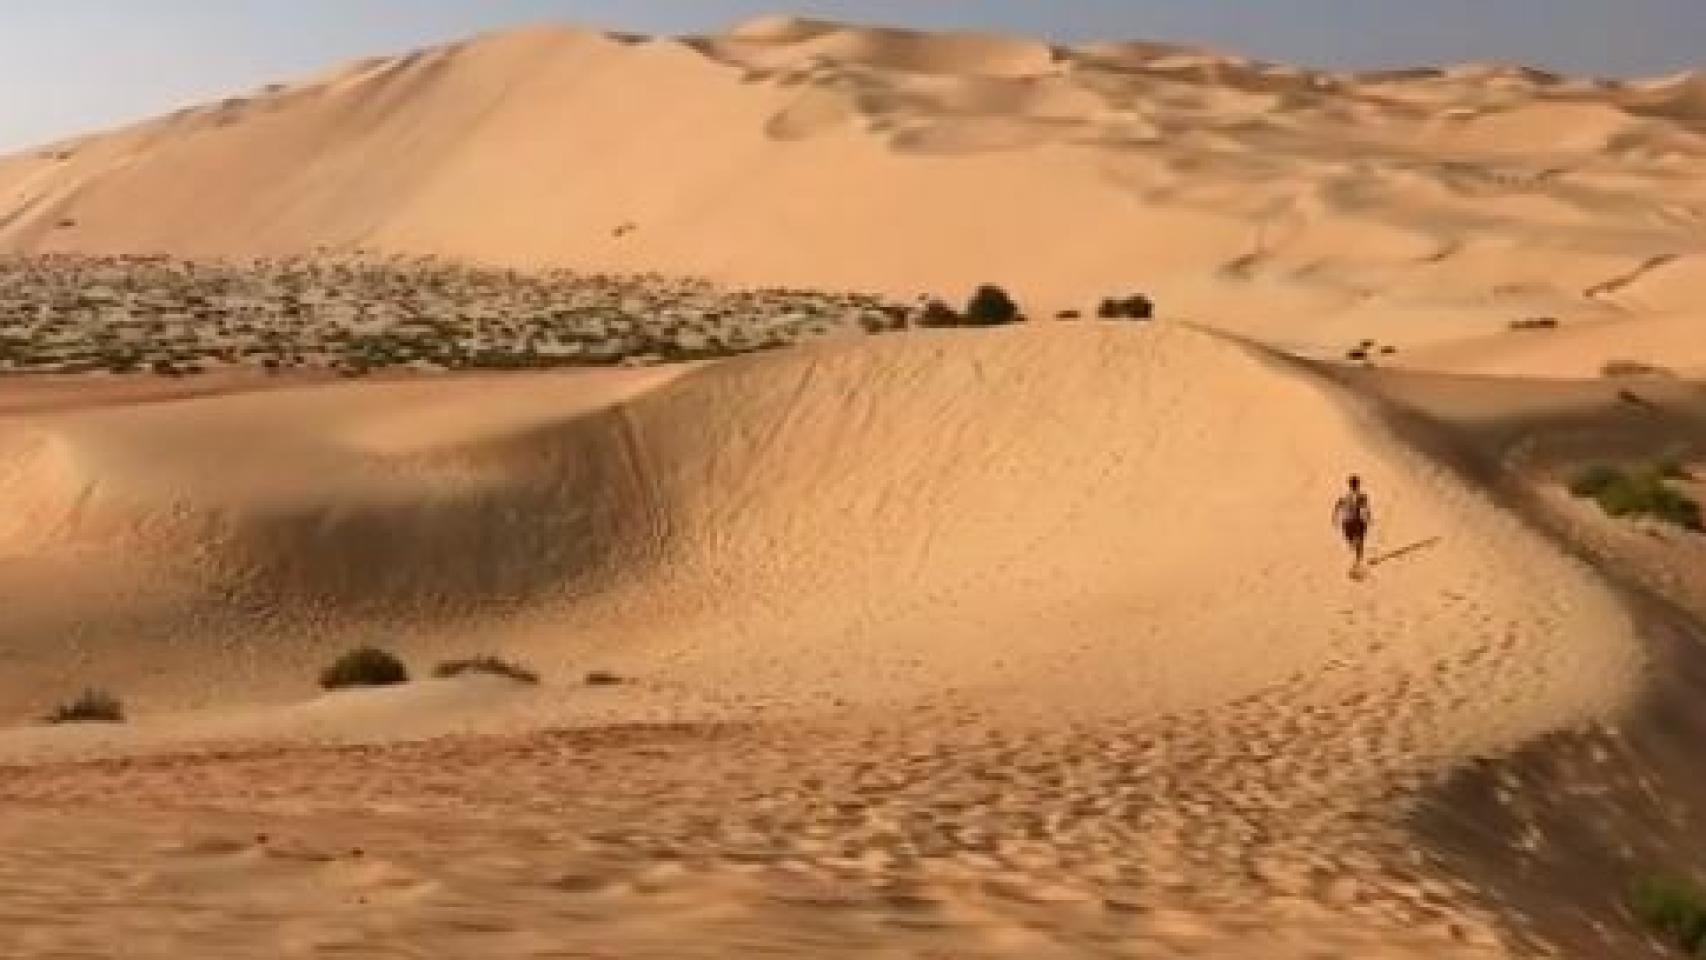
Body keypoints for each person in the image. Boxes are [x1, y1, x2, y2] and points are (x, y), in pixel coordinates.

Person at [1333, 475, 1372, 575]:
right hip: (1354, 522)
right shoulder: (1359, 496)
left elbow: (1337, 505)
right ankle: (1357, 562)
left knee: (1355, 543)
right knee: (1358, 543)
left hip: (1350, 522)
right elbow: (1366, 508)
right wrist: (1368, 517)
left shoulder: (1349, 496)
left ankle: (1357, 563)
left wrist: (1335, 517)